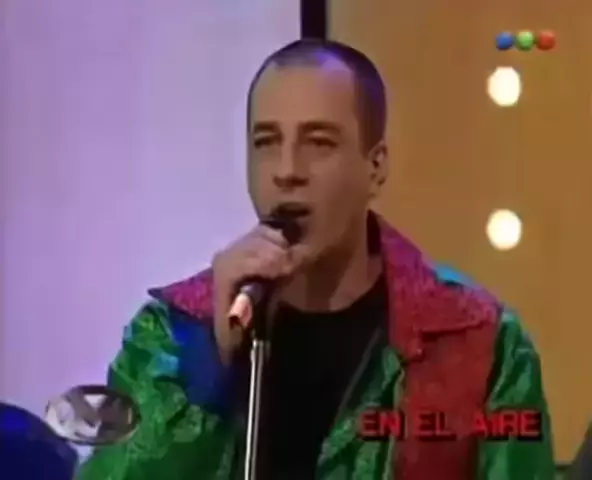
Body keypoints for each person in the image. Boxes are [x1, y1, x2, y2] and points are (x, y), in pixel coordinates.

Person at [77, 39, 555, 479]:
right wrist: (211, 370)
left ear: (375, 167)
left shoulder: (480, 342)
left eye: (319, 142)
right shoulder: (167, 337)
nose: (287, 171)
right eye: (266, 142)